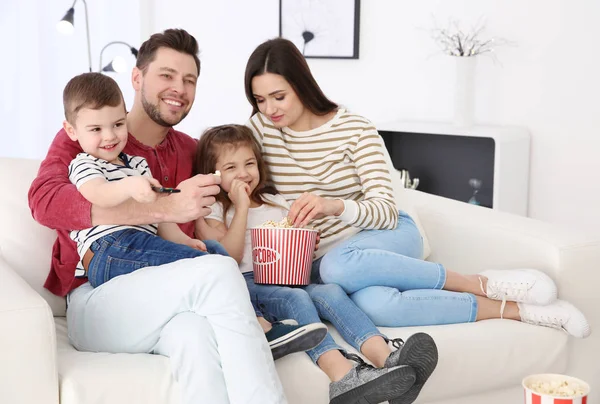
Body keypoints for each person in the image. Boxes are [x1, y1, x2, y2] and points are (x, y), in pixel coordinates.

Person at [242, 37, 591, 402]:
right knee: (377, 305)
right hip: (331, 264)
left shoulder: (355, 129)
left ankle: (480, 282)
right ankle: (520, 311)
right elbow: (225, 156)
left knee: (336, 266)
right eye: (260, 100)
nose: (269, 109)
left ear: (301, 84)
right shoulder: (261, 131)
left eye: (278, 97)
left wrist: (335, 206)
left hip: (385, 235)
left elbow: (384, 208)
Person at [29, 29, 289, 404]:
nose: (179, 89)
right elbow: (44, 201)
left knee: (194, 335)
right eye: (167, 75)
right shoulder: (86, 137)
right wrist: (161, 207)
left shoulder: (192, 150)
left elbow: (243, 177)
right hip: (98, 295)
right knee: (216, 271)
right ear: (137, 78)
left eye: (189, 80)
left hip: (166, 296)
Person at [61, 72, 326, 361]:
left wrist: (187, 241)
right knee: (214, 268)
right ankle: (261, 330)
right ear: (72, 131)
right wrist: (130, 186)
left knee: (215, 252)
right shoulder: (84, 163)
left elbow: (162, 219)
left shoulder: (137, 164)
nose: (110, 136)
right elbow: (97, 195)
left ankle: (259, 326)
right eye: (96, 129)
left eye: (117, 125)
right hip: (109, 250)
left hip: (141, 245)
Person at [194, 123, 438, 404]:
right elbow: (229, 256)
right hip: (248, 285)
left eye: (249, 163)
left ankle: (387, 357)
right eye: (230, 168)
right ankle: (343, 376)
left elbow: (293, 247)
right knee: (295, 297)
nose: (243, 173)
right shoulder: (213, 209)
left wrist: (302, 243)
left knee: (331, 291)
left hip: (288, 276)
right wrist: (242, 206)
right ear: (212, 173)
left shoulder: (275, 201)